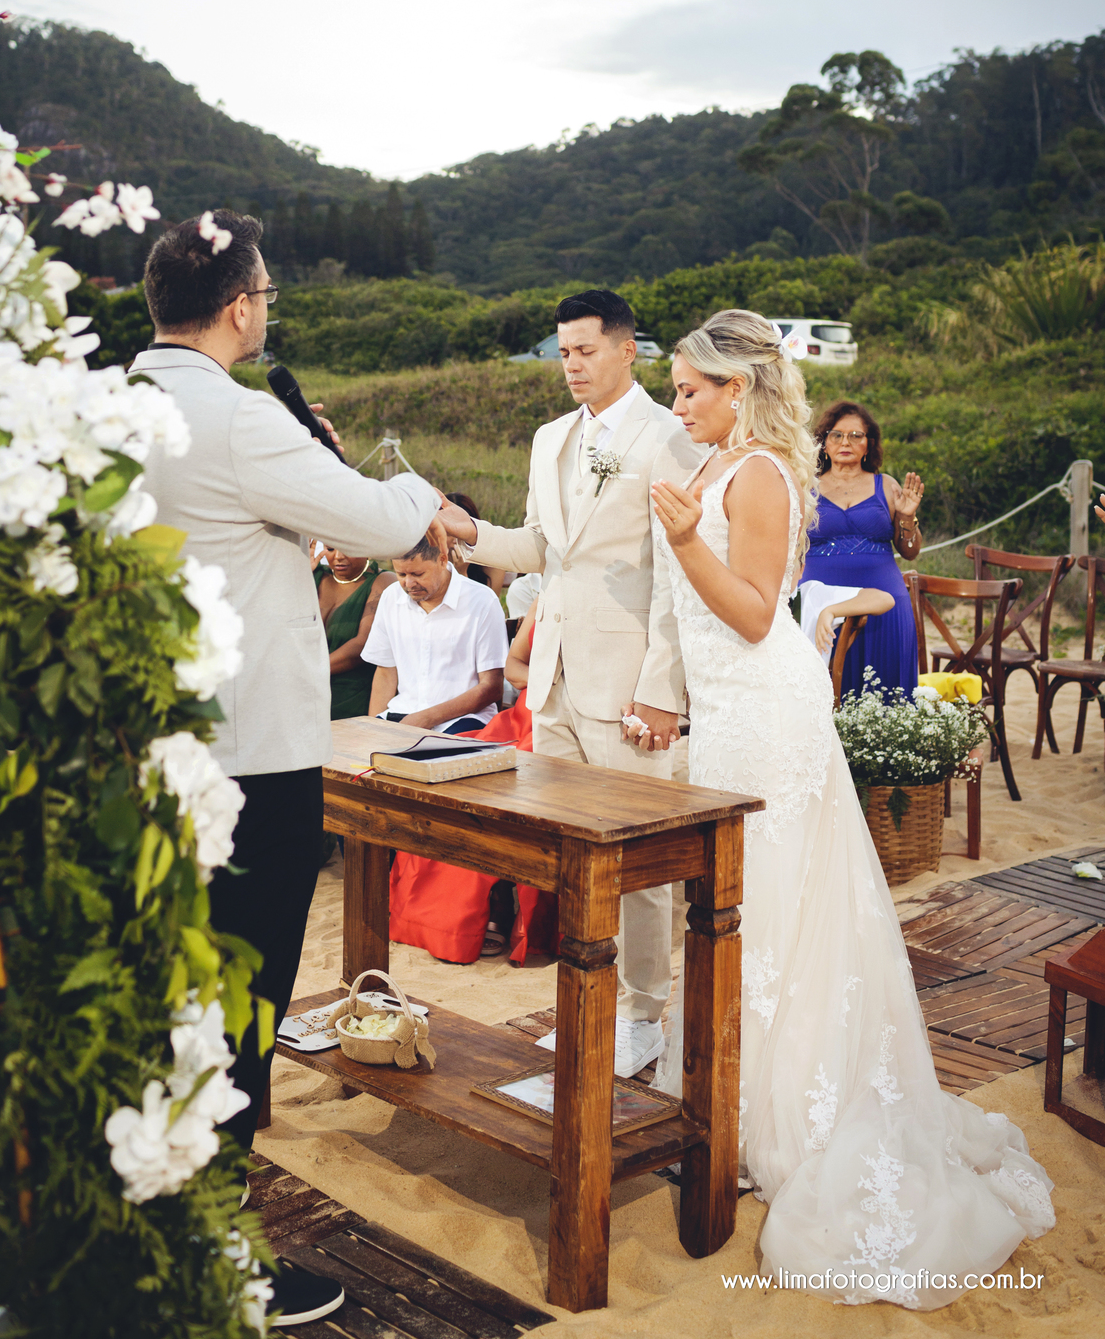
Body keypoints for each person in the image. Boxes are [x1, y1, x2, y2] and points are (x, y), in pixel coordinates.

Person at [646, 308, 1053, 1309]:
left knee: (777, 907)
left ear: (738, 389)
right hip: (724, 719)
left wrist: (688, 542)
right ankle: (723, 1105)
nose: (679, 403)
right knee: (733, 909)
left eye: (692, 389)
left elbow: (749, 613)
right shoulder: (704, 469)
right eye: (675, 390)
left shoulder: (761, 476)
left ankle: (779, 1118)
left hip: (767, 713)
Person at [132, 211, 441, 1329]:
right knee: (239, 998)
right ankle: (216, 1251)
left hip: (141, 751)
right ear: (243, 307)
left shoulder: (117, 404)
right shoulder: (239, 416)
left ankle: (142, 1215)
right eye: (265, 293)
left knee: (157, 991)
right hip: (249, 760)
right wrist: (398, 489)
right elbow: (381, 516)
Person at [437, 288, 699, 1077]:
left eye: (585, 350)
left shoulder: (668, 435)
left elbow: (678, 579)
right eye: (563, 352)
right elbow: (542, 547)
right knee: (571, 859)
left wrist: (663, 688)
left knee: (638, 863)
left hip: (629, 687)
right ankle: (591, 1003)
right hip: (550, 680)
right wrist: (468, 529)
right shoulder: (551, 436)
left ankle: (645, 1014)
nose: (572, 365)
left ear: (627, 350)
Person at [388, 607, 558, 964]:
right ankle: (464, 914)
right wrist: (552, 678)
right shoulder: (547, 593)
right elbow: (513, 667)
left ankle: (491, 905)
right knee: (455, 778)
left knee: (508, 787)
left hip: (559, 723)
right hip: (523, 714)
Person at [798, 399, 924, 698]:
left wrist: (906, 517)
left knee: (887, 691)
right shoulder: (806, 488)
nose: (846, 442)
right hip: (820, 601)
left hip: (885, 601)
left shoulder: (887, 485)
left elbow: (910, 551)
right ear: (823, 444)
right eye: (836, 434)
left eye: (856, 435)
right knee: (822, 693)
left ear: (869, 445)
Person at [364, 534, 508, 733]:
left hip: (464, 720)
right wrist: (374, 731)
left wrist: (426, 718)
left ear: (442, 560)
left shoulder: (482, 601)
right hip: (402, 714)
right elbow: (385, 672)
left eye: (418, 574)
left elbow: (492, 687)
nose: (409, 584)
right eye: (401, 575)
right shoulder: (391, 597)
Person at [313, 544, 395, 718]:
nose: (338, 556)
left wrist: (308, 671)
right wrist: (298, 577)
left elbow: (362, 644)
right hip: (303, 691)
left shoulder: (383, 580)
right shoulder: (313, 575)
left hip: (351, 697)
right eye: (330, 549)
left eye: (348, 548)